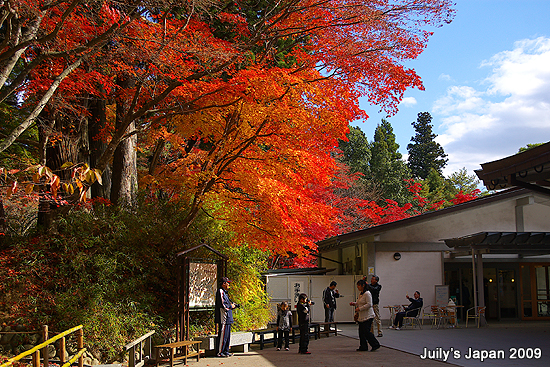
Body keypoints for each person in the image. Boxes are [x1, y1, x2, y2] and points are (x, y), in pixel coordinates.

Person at [349, 279, 380, 352]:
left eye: (359, 285)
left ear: (363, 285)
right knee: (361, 332)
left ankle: (375, 344)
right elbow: (359, 302)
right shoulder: (361, 294)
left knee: (366, 331)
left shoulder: (367, 293)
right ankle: (363, 346)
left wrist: (360, 308)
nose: (358, 287)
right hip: (362, 316)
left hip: (368, 315)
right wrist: (354, 303)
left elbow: (369, 304)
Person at [215, 277, 238, 357]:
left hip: (228, 317)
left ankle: (226, 351)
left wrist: (233, 305)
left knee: (227, 336)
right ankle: (220, 352)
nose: (229, 284)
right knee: (223, 335)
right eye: (228, 283)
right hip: (223, 317)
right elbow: (222, 304)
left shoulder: (225, 292)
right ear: (223, 283)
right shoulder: (220, 291)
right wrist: (231, 306)